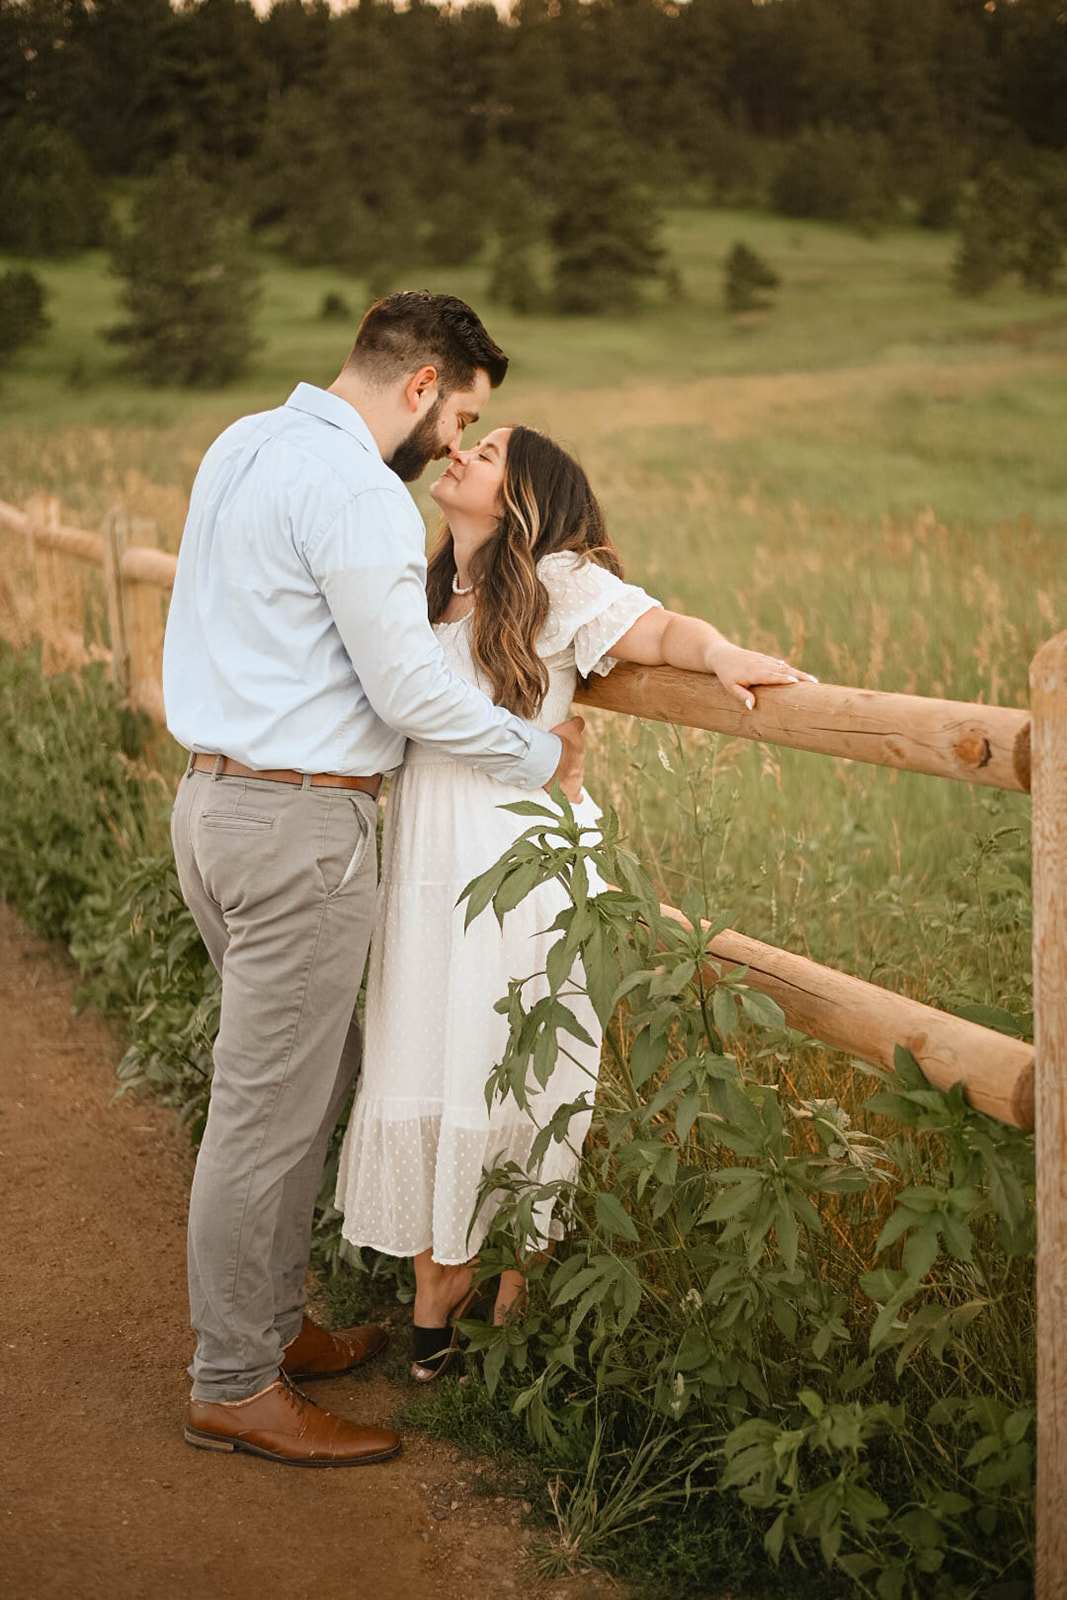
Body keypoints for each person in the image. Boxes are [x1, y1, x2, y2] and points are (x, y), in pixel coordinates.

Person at [163, 294, 585, 1467]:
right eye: (460, 414)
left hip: (211, 802)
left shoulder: (241, 443)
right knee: (266, 1107)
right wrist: (537, 750)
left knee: (307, 1071)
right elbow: (404, 688)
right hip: (298, 825)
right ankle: (233, 1381)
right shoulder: (352, 487)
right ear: (419, 385)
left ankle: (265, 1324)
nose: (454, 444)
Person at [334, 424, 813, 1379]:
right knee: (428, 1042)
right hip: (429, 852)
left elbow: (664, 631)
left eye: (490, 451)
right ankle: (438, 1288)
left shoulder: (557, 581)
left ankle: (515, 1295)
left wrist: (721, 653)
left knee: (512, 1055)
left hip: (522, 854)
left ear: (525, 496)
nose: (460, 453)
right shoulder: (426, 584)